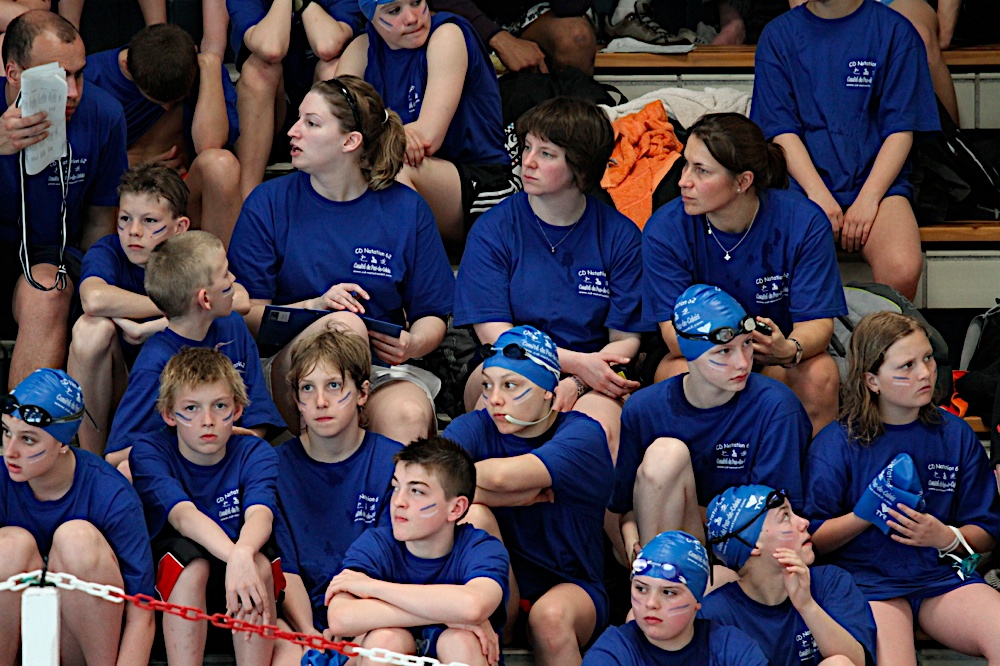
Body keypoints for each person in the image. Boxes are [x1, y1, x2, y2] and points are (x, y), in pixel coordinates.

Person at [228, 76, 453, 445]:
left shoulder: (406, 208)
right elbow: (244, 314)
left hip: (378, 371)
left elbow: (433, 312)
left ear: (350, 142)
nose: (293, 131)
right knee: (345, 326)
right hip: (288, 367)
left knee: (408, 415)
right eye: (298, 119)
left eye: (311, 123)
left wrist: (413, 344)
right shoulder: (268, 203)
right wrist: (315, 308)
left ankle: (379, 485)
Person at [455, 96, 647, 462]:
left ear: (580, 167)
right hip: (506, 362)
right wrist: (574, 365)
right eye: (527, 147)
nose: (527, 162)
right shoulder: (493, 229)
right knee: (499, 406)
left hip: (595, 373)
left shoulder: (620, 236)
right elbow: (496, 335)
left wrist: (578, 380)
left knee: (600, 430)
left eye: (546, 154)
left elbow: (625, 340)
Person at [805, 311, 1000, 664]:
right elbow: (813, 539)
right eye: (907, 366)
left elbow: (987, 531)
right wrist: (864, 515)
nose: (925, 373)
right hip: (869, 583)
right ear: (872, 380)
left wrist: (946, 537)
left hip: (939, 578)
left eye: (927, 358)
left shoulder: (955, 434)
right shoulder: (837, 444)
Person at [643, 113, 846, 435]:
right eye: (685, 164)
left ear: (743, 181)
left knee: (819, 374)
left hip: (775, 350)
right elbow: (674, 336)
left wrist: (789, 349)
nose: (683, 181)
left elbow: (818, 323)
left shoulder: (803, 222)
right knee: (676, 374)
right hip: (704, 354)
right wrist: (735, 351)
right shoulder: (665, 229)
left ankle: (810, 467)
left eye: (701, 170)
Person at [442, 325, 613, 666]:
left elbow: (502, 476)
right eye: (487, 385)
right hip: (498, 586)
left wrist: (469, 489)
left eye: (511, 386)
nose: (494, 399)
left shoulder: (583, 434)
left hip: (572, 586)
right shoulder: (474, 426)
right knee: (474, 515)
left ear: (549, 391)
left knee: (550, 618)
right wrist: (501, 498)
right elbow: (425, 480)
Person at [751, 0, 939, 303]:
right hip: (801, 186)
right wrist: (818, 195)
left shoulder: (894, 31)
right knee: (773, 268)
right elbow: (781, 130)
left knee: (902, 268)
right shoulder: (779, 35)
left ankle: (881, 336)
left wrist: (868, 199)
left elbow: (901, 129)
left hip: (878, 185)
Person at [610, 284, 811, 560]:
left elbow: (769, 518)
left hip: (748, 557)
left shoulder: (777, 407)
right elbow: (623, 508)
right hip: (668, 545)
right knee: (665, 455)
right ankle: (660, 573)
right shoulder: (644, 409)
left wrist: (679, 502)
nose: (743, 363)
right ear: (690, 354)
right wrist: (632, 539)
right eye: (724, 352)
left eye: (747, 344)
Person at [0, 10, 128, 390]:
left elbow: (101, 220)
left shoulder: (103, 114)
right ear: (13, 73)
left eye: (79, 74)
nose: (72, 92)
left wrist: (97, 282)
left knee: (47, 292)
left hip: (49, 253)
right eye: (58, 77)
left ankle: (22, 425)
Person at [130, 347, 282, 666]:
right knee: (192, 565)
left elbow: (260, 514)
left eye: (220, 406)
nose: (208, 421)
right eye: (191, 408)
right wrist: (236, 555)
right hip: (176, 592)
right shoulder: (149, 451)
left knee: (258, 562)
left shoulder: (255, 452)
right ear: (169, 414)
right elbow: (183, 516)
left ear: (238, 410)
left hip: (244, 583)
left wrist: (243, 554)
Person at [0, 369, 155, 665]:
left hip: (83, 644)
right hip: (16, 640)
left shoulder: (112, 495)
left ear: (63, 443)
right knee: (10, 546)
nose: (10, 451)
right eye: (6, 432)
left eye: (28, 440)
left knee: (76, 539)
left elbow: (142, 613)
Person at [270, 328, 404, 664]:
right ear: (296, 399)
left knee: (384, 646)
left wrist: (352, 630)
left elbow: (389, 563)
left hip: (371, 613)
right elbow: (285, 568)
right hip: (299, 616)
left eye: (333, 385)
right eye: (307, 388)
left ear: (362, 393)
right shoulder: (274, 468)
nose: (320, 402)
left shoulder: (394, 464)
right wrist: (308, 633)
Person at [337, 0, 516, 251]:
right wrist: (393, 136)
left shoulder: (447, 35)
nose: (412, 18)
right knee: (337, 166)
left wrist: (374, 135)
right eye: (394, 11)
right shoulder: (361, 49)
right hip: (421, 178)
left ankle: (410, 270)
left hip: (482, 184)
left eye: (416, 2)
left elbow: (427, 137)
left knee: (392, 170)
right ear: (370, 17)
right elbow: (335, 130)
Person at [104, 231, 283, 470]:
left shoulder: (234, 326)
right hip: (181, 471)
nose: (233, 278)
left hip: (235, 461)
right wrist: (191, 444)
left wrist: (236, 445)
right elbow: (115, 456)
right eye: (225, 274)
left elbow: (258, 414)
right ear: (205, 299)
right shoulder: (155, 361)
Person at [325, 436, 510, 666]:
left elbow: (473, 606)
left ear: (456, 508)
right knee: (385, 640)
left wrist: (372, 588)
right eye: (396, 487)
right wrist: (449, 614)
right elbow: (341, 618)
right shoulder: (376, 543)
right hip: (391, 649)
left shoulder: (481, 548)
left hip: (458, 651)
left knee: (462, 641)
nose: (398, 501)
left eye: (417, 491)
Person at [67, 164, 190, 457]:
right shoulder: (108, 251)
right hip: (119, 384)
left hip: (177, 390)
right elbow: (93, 299)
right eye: (125, 218)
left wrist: (151, 326)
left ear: (180, 227)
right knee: (90, 329)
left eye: (149, 220)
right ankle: (93, 461)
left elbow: (235, 299)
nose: (134, 231)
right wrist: (181, 305)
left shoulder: (193, 255)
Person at [85, 24, 242, 246]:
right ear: (127, 66)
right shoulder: (92, 77)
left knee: (221, 164)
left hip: (181, 191)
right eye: (157, 100)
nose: (167, 108)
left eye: (176, 100)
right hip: (120, 196)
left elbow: (210, 144)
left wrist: (210, 67)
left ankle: (217, 265)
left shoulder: (198, 69)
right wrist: (127, 165)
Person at [702, 484, 877, 666]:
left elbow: (858, 662)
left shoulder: (830, 582)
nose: (804, 522)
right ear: (753, 545)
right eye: (785, 516)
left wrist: (807, 606)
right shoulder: (715, 616)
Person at [228, 0, 363, 197]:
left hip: (319, 118)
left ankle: (325, 194)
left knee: (332, 70)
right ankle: (248, 196)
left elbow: (327, 46)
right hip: (270, 118)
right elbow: (271, 48)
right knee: (258, 71)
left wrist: (303, 3)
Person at [583, 531, 769, 665]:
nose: (651, 603)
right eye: (641, 588)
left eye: (668, 592)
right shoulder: (612, 652)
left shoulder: (731, 649)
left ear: (697, 600)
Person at [428, 0, 598, 74]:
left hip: (528, 15)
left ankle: (571, 128)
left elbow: (570, 8)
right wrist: (496, 36)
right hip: (465, 12)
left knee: (576, 39)